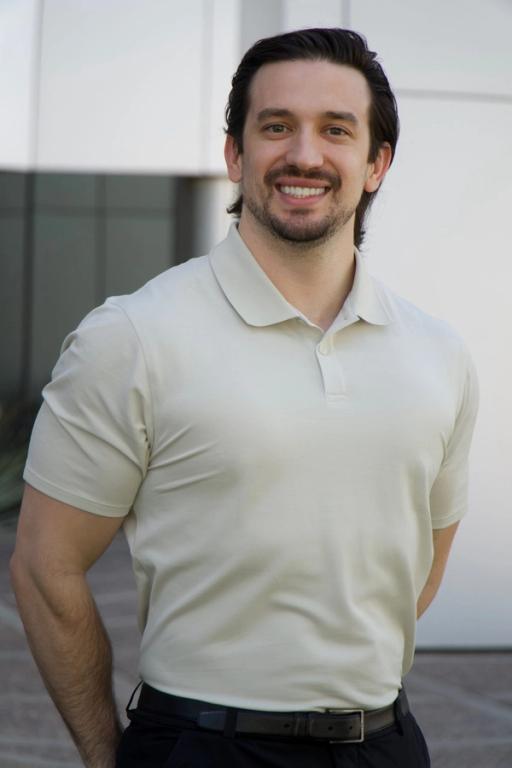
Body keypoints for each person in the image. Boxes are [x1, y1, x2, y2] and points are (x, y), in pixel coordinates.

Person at [10, 27, 478, 768]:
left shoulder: (440, 355)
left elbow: (415, 568)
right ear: (235, 154)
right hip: (200, 746)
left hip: (386, 747)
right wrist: (111, 758)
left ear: (376, 162)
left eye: (336, 130)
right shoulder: (132, 336)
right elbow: (44, 565)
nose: (304, 155)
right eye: (275, 127)